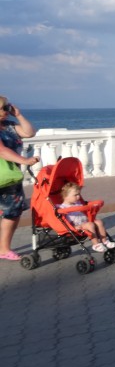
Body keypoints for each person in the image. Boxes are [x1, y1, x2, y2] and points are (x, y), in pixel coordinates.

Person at [0, 96, 38, 261]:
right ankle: (3, 249)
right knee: (10, 213)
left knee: (13, 213)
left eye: (7, 107)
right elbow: (2, 151)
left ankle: (4, 248)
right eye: (4, 108)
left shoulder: (9, 126)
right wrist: (25, 161)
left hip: (10, 177)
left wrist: (19, 115)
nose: (6, 110)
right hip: (4, 176)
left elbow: (30, 132)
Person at [57, 182, 115, 252]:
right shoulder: (62, 207)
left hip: (85, 222)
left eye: (79, 194)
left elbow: (86, 205)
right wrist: (73, 227)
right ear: (66, 196)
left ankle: (105, 241)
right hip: (76, 226)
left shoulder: (78, 203)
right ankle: (96, 244)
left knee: (99, 222)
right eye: (75, 195)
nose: (78, 197)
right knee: (90, 225)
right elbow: (63, 221)